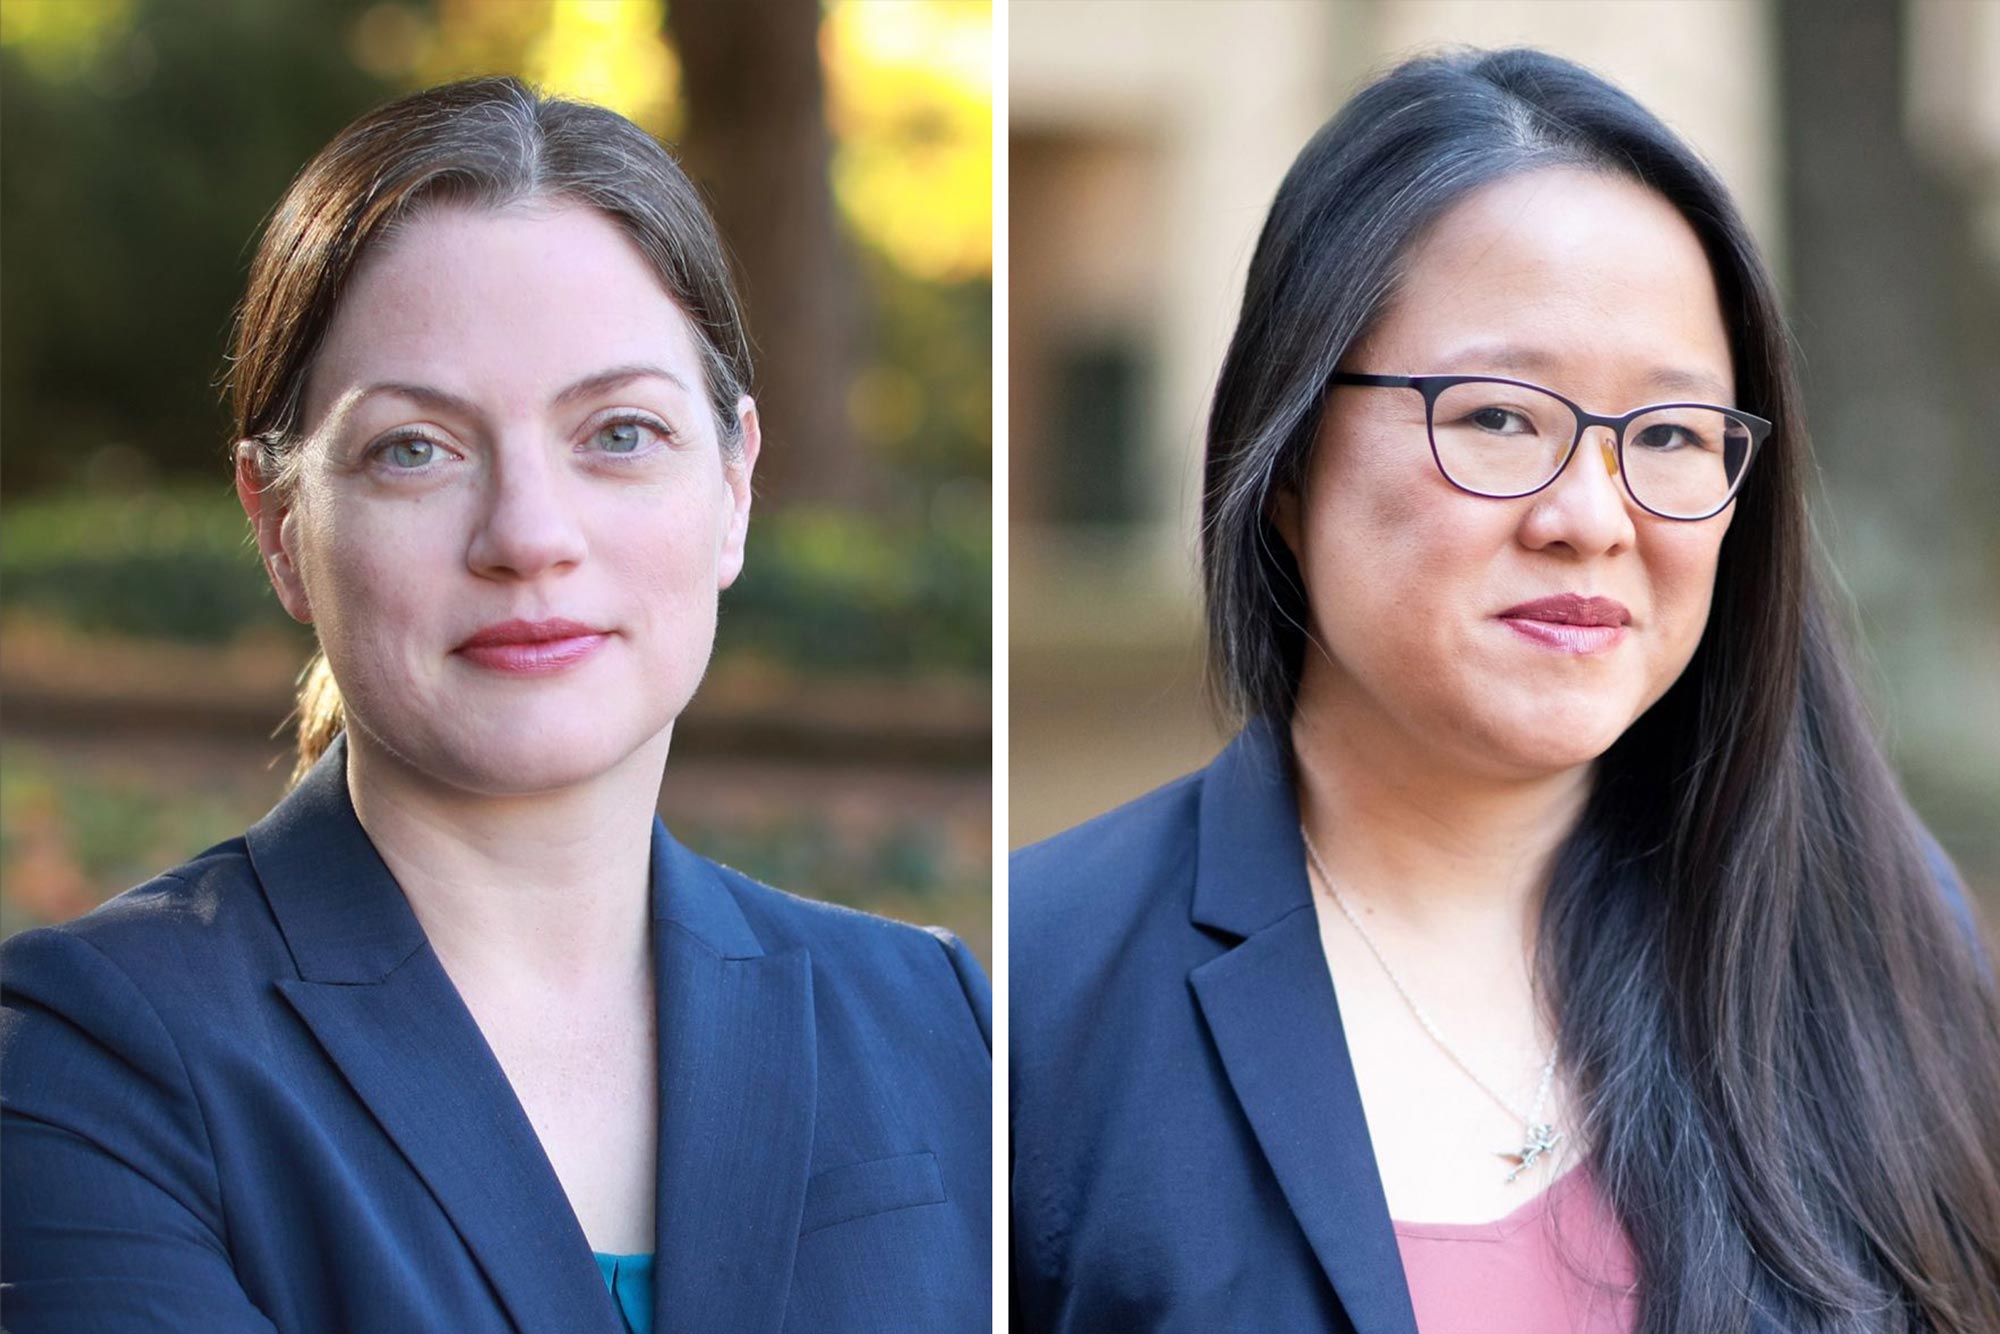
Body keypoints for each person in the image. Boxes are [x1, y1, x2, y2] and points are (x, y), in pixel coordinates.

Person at [1010, 47, 2000, 1334]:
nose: (1590, 517)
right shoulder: (1046, 991)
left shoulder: (1871, 924)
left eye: (1668, 434)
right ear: (1293, 453)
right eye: (1495, 417)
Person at [0, 77, 991, 1334]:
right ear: (279, 523)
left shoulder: (936, 1019)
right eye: (416, 447)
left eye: (619, 433)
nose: (529, 536)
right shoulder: (96, 1063)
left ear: (733, 484)